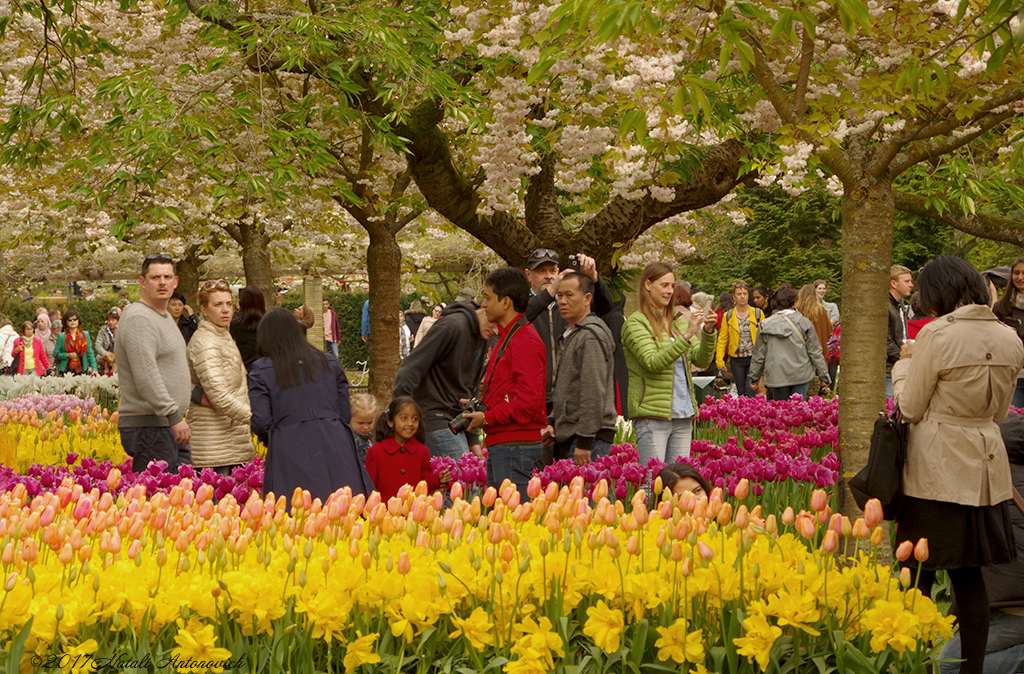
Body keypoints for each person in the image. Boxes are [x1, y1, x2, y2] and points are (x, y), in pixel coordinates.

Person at [892, 255, 1023, 674]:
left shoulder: (936, 335)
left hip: (936, 465)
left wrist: (904, 365)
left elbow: (909, 407)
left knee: (916, 570)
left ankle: (908, 657)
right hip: (985, 468)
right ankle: (969, 670)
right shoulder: (1010, 338)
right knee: (969, 578)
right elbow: (1001, 413)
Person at [249, 309, 374, 508]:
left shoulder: (262, 369)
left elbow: (261, 421)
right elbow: (344, 411)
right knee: (345, 511)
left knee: (296, 514)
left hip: (289, 445)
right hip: (335, 442)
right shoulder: (329, 362)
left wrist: (276, 437)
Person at [937, 411, 1024, 674]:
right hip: (1012, 603)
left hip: (1013, 609)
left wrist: (952, 617)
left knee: (951, 666)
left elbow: (963, 562)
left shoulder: (979, 480)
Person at [460, 268, 547, 497]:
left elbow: (528, 402)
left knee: (511, 524)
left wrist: (487, 417)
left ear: (506, 302)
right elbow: (509, 390)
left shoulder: (524, 341)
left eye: (488, 298)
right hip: (505, 444)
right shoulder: (508, 337)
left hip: (515, 446)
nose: (484, 305)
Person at [622, 262, 717, 464]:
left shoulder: (677, 320)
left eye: (672, 286)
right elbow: (652, 362)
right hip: (653, 415)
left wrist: (708, 332)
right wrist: (688, 334)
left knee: (678, 483)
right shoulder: (635, 323)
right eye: (664, 285)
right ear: (648, 285)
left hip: (683, 413)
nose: (669, 291)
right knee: (652, 480)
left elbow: (701, 360)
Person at [115, 253, 192, 473]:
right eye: (155, 277)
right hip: (151, 426)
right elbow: (146, 375)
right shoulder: (140, 318)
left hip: (166, 424)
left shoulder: (163, 316)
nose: (162, 282)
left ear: (175, 281)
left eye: (168, 277)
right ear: (142, 282)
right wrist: (173, 415)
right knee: (156, 499)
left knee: (178, 498)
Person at [393, 300, 497, 460]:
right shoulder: (451, 326)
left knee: (466, 481)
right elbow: (410, 368)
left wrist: (473, 440)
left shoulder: (482, 336)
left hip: (457, 420)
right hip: (434, 416)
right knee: (463, 482)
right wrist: (402, 416)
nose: (496, 330)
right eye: (494, 322)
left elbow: (469, 393)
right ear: (485, 308)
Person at [523, 249, 614, 414]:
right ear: (528, 275)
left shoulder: (569, 305)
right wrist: (550, 294)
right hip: (533, 397)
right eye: (541, 271)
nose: (549, 276)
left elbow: (606, 307)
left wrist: (593, 278)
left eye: (553, 270)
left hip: (566, 398)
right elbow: (520, 321)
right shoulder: (522, 303)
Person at [542, 272, 617, 465]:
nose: (562, 301)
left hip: (588, 439)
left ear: (587, 298)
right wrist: (553, 421)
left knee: (586, 495)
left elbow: (593, 391)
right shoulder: (572, 333)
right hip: (573, 434)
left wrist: (585, 441)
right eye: (559, 296)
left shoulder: (589, 336)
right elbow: (568, 387)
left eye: (569, 295)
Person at [186, 280, 255, 475]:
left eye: (229, 304)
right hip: (215, 444)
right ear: (204, 310)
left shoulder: (222, 335)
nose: (225, 310)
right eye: (217, 305)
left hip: (229, 439)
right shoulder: (206, 341)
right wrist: (257, 418)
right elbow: (219, 395)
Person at [748, 285, 831, 401]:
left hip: (776, 375)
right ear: (794, 302)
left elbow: (758, 355)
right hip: (801, 374)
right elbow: (815, 352)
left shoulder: (765, 325)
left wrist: (754, 377)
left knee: (780, 411)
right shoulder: (804, 323)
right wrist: (824, 376)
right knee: (798, 411)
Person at [364, 397, 450, 502]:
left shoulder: (422, 451)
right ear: (390, 422)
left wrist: (437, 479)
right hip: (384, 514)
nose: (410, 423)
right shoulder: (376, 452)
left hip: (413, 513)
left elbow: (423, 483)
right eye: (404, 418)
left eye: (415, 419)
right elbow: (369, 486)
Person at [716, 281, 764, 398]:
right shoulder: (728, 315)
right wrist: (719, 360)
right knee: (741, 391)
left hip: (754, 358)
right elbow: (722, 339)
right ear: (734, 296)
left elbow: (765, 337)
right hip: (736, 359)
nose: (742, 296)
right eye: (739, 294)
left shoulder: (757, 313)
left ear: (748, 295)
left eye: (745, 293)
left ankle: (753, 414)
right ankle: (743, 414)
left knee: (751, 390)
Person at [993, 256, 1024, 409]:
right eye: (1016, 273)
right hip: (1012, 375)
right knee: (1013, 422)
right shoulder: (1001, 307)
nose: (1020, 277)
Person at [795, 284, 832, 396]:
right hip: (816, 353)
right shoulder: (820, 311)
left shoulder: (796, 312)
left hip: (798, 354)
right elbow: (828, 333)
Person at [887, 264, 914, 397]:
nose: (911, 285)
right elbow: (885, 343)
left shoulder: (900, 306)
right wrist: (905, 358)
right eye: (907, 281)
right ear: (893, 283)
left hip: (898, 367)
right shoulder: (886, 307)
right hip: (887, 371)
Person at [230, 285, 264, 372]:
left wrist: (238, 310)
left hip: (245, 369)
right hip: (264, 369)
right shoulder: (268, 323)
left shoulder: (235, 324)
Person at [54, 310, 98, 375]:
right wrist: (67, 355)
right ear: (66, 322)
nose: (72, 321)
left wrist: (94, 368)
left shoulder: (85, 334)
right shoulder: (61, 336)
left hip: (83, 368)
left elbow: (90, 353)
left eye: (75, 319)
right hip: (66, 369)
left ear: (78, 320)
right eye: (69, 320)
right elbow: (56, 354)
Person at [349, 393, 379, 464]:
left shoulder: (366, 435)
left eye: (370, 423)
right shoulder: (351, 439)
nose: (365, 427)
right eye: (360, 423)